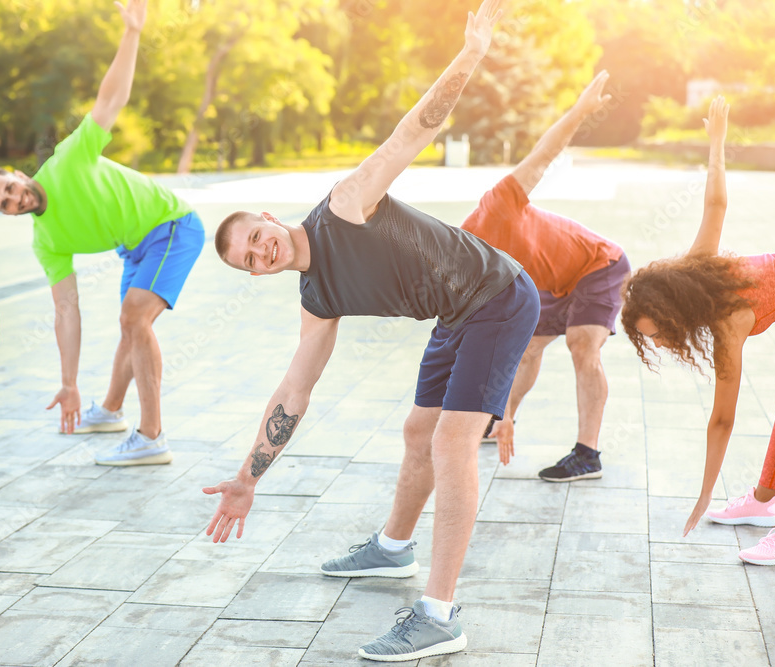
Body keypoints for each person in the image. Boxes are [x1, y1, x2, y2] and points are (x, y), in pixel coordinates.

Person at [203, 2, 537, 660]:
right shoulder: (316, 298)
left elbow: (414, 131)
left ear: (269, 218)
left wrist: (470, 52)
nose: (260, 251)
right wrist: (248, 478)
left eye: (257, 237)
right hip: (456, 313)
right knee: (419, 430)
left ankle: (440, 613)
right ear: (252, 273)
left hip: (499, 295)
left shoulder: (343, 206)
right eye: (249, 258)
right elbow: (292, 392)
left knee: (450, 441)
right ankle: (392, 548)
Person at [0, 0, 203, 466]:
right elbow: (67, 311)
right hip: (135, 248)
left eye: (11, 187)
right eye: (7, 203)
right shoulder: (46, 241)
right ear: (7, 213)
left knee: (134, 320)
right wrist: (69, 382)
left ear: (18, 174)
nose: (17, 198)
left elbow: (110, 99)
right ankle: (111, 410)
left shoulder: (68, 160)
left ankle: (152, 436)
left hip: (171, 225)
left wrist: (133, 33)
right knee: (129, 326)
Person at [622, 96, 775, 565]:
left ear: (673, 314)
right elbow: (716, 203)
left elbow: (722, 421)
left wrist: (702, 495)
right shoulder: (698, 270)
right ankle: (763, 500)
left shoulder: (726, 325)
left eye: (656, 332)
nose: (658, 342)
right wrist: (716, 143)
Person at [463, 71, 630, 482]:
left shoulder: (498, 203)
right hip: (557, 282)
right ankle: (500, 421)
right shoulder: (470, 270)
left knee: (581, 346)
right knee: (527, 348)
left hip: (600, 264)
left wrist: (581, 110)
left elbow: (543, 153)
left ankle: (588, 454)